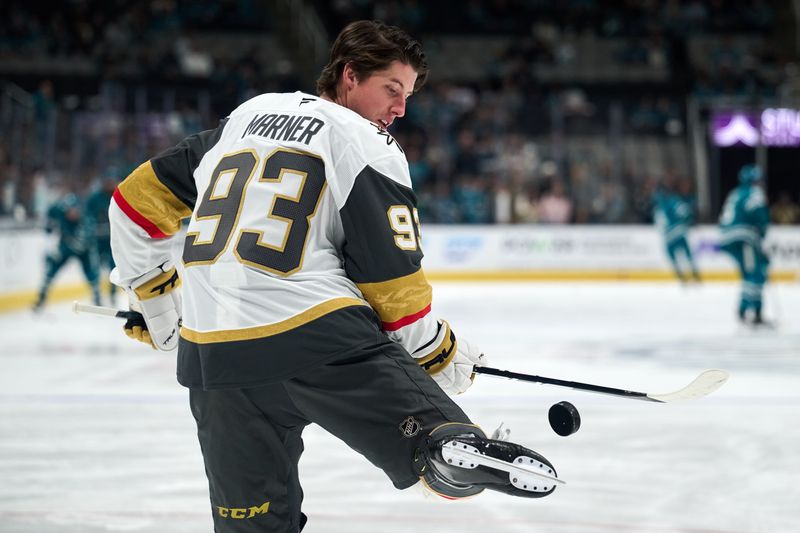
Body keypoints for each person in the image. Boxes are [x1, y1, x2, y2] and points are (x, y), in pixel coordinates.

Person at [108, 20, 559, 533]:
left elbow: (132, 204)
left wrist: (155, 298)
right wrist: (437, 350)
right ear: (349, 76)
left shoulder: (246, 116)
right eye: (392, 89)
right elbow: (393, 290)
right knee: (438, 444)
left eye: (407, 96)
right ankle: (439, 443)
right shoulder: (366, 142)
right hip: (317, 340)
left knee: (252, 525)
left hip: (214, 357)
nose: (400, 109)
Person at [718, 164, 771, 326]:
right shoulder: (755, 193)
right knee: (755, 273)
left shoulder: (735, 192)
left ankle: (751, 310)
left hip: (727, 237)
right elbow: (760, 216)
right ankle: (751, 311)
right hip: (744, 237)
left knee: (750, 273)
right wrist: (761, 235)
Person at [33, 188, 101, 311]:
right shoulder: (59, 212)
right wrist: (49, 225)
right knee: (51, 271)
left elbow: (81, 244)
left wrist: (62, 246)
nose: (72, 213)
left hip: (83, 251)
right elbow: (50, 215)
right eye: (69, 211)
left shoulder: (86, 221)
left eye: (74, 210)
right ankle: (41, 298)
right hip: (65, 246)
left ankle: (97, 299)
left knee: (91, 274)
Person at [652, 178, 701, 283]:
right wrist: (690, 220)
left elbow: (658, 222)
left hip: (668, 235)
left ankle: (681, 276)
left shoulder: (658, 205)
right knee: (686, 253)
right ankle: (694, 273)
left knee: (671, 255)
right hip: (678, 231)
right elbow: (685, 211)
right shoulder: (673, 200)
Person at [85, 175, 118, 305]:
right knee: (96, 269)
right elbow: (87, 215)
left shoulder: (117, 196)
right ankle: (97, 295)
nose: (110, 184)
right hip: (97, 241)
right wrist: (93, 227)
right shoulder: (95, 197)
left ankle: (113, 295)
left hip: (112, 241)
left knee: (113, 268)